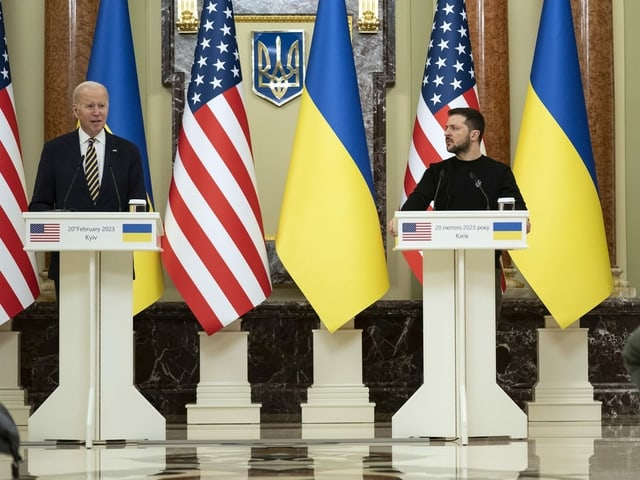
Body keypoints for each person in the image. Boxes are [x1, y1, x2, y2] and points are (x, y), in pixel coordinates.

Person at [389, 107, 529, 317]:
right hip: (441, 267)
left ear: (474, 135)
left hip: (485, 268)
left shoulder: (499, 172)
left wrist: (523, 222)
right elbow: (413, 207)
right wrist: (398, 221)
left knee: (483, 330)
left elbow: (519, 214)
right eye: (446, 128)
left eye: (454, 128)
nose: (446, 133)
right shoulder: (438, 172)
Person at [29, 80, 147, 297]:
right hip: (69, 264)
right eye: (89, 106)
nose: (97, 112)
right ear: (76, 110)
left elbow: (140, 206)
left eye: (102, 106)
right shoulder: (55, 151)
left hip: (116, 263)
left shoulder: (128, 152)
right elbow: (39, 205)